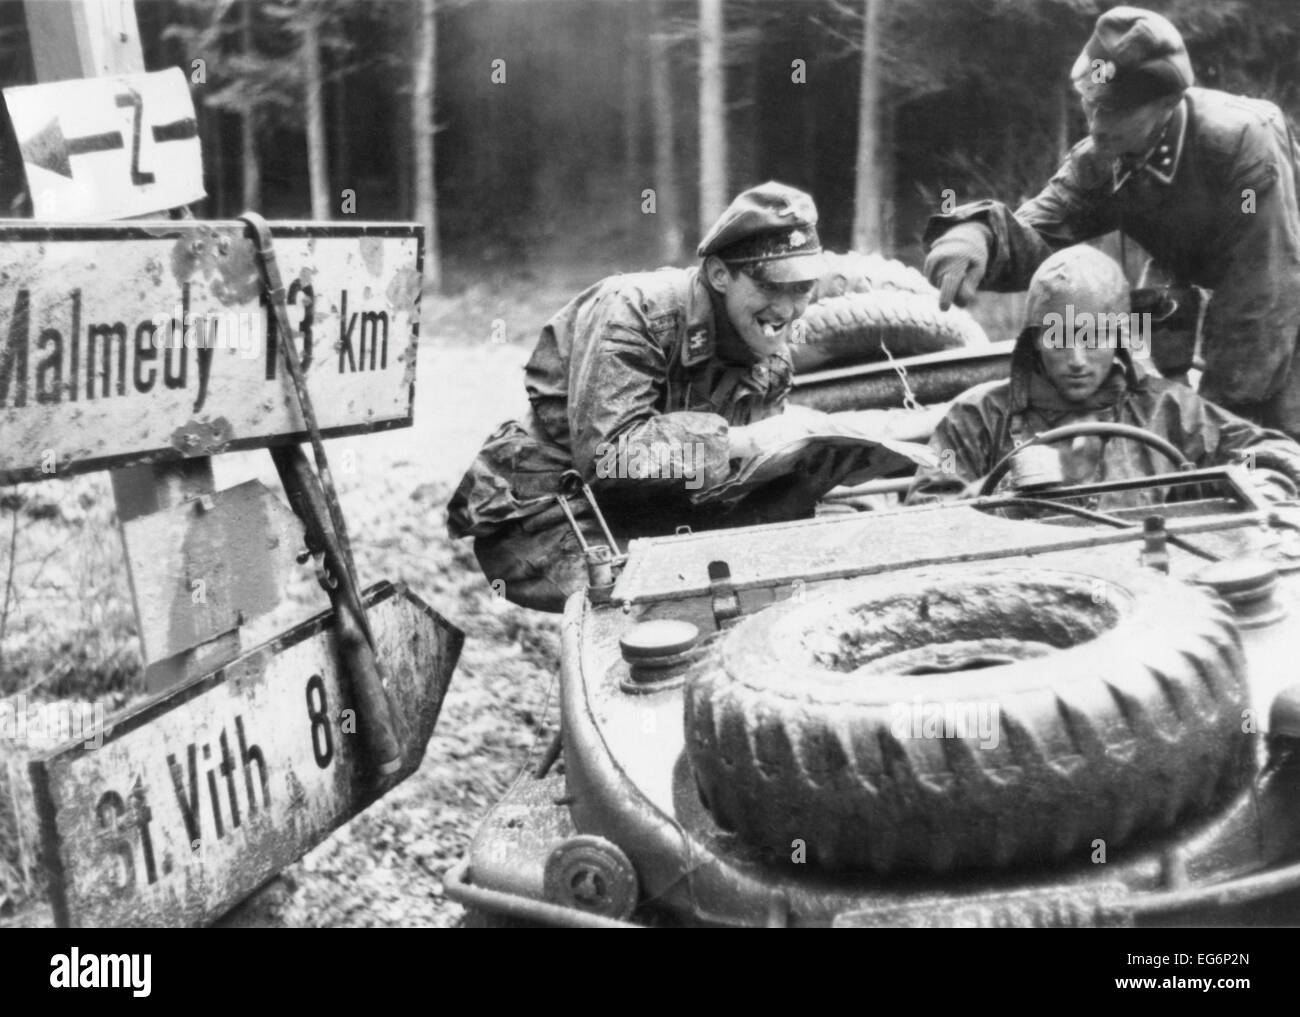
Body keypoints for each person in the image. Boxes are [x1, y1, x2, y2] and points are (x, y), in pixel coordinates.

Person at [448, 181, 909, 612]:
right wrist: (745, 441)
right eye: (769, 287)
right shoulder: (636, 311)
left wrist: (813, 459)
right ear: (719, 274)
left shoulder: (770, 354)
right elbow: (611, 459)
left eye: (802, 289)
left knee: (808, 557)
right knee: (680, 607)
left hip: (666, 510)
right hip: (555, 518)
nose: (787, 310)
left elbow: (735, 480)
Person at [922, 6, 1300, 437]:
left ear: (1168, 104)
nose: (1098, 126)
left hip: (1282, 293)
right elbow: (1042, 230)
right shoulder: (1104, 156)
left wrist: (1211, 422)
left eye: (1117, 111)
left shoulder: (1243, 145)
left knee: (1274, 452)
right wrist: (976, 234)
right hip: (1205, 296)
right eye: (1092, 104)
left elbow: (1262, 294)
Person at [907, 245, 1300, 508]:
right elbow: (925, 516)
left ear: (1119, 338)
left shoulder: (1169, 408)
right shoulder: (976, 417)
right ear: (1035, 341)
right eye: (1059, 339)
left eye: (1093, 338)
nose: (1077, 360)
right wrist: (1010, 489)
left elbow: (1256, 451)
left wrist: (1264, 477)